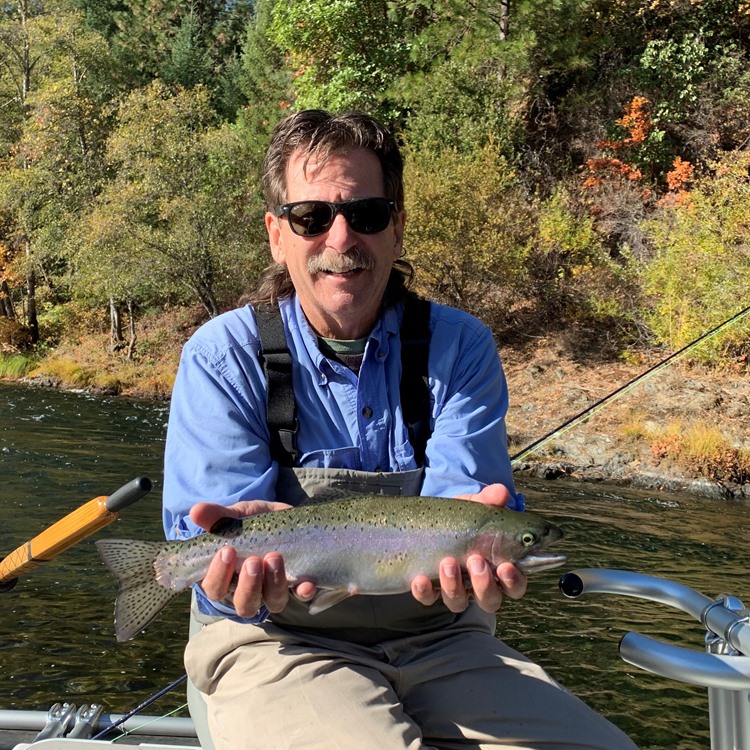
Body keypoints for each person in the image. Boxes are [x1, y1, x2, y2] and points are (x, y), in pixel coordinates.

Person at [163, 109, 637, 750]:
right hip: (273, 637)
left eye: (367, 214)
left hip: (441, 634)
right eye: (311, 217)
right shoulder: (221, 356)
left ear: (397, 229)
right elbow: (209, 544)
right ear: (277, 234)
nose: (341, 237)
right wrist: (227, 568)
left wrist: (480, 574)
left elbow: (463, 505)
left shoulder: (459, 347)